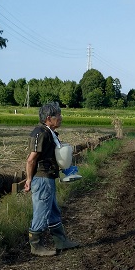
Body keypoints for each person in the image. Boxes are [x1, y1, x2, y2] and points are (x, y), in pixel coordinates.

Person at [24, 102, 80, 256]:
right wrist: (29, 180)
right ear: (49, 118)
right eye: (59, 115)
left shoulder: (50, 133)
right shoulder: (40, 133)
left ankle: (61, 241)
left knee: (53, 211)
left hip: (48, 178)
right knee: (41, 212)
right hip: (42, 179)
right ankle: (36, 246)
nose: (61, 118)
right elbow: (31, 160)